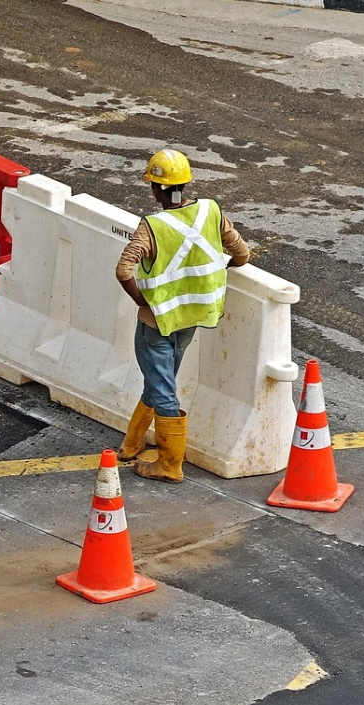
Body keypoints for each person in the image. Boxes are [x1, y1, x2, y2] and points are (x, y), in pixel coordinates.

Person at [115, 149, 251, 483]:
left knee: (162, 388)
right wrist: (220, 269)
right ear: (186, 184)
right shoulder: (210, 210)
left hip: (156, 323)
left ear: (155, 190)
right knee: (160, 379)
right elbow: (242, 254)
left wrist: (142, 303)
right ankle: (132, 443)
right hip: (192, 318)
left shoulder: (152, 227)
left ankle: (169, 464)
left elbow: (123, 270)